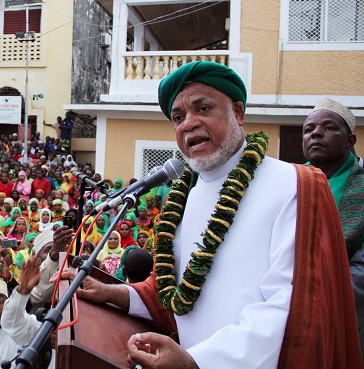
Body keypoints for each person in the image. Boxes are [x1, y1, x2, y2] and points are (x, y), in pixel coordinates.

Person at [77, 61, 362, 367]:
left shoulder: (295, 185)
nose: (188, 123)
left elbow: (290, 306)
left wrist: (197, 361)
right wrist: (114, 293)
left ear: (238, 113)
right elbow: (174, 291)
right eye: (178, 117)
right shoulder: (182, 197)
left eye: (203, 108)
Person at [302, 97, 364, 355]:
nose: (316, 133)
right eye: (308, 130)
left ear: (350, 141)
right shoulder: (289, 183)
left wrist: (303, 292)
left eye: (329, 128)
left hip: (346, 317)